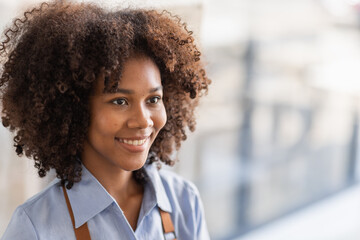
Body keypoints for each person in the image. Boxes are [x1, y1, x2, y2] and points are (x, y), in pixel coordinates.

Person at [0, 0, 211, 239]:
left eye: (153, 99)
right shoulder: (34, 227)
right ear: (75, 109)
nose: (143, 121)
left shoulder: (184, 200)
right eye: (120, 101)